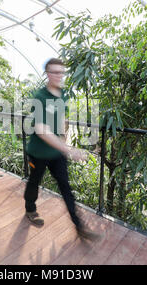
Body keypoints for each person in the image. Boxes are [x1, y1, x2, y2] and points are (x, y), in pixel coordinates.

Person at [24, 58, 99, 240]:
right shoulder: (40, 97)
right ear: (47, 74)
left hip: (56, 153)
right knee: (34, 182)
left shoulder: (63, 95)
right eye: (54, 72)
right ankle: (30, 209)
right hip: (38, 152)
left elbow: (60, 120)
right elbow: (41, 130)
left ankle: (79, 226)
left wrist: (64, 142)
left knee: (66, 187)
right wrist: (68, 150)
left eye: (61, 72)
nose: (58, 76)